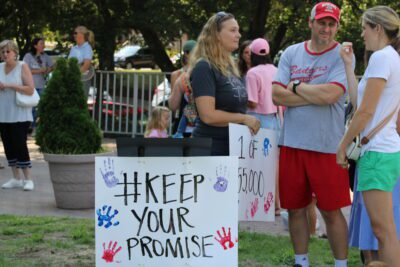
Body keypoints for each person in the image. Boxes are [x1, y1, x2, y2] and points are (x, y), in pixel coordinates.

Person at [272, 2, 351, 267]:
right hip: (292, 143)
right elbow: (275, 94)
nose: (326, 28)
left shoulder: (341, 54)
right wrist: (313, 93)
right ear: (311, 23)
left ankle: (340, 264)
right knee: (294, 208)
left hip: (327, 146)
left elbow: (332, 95)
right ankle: (300, 261)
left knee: (330, 210)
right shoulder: (292, 53)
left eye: (332, 24)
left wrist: (295, 87)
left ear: (336, 26)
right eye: (322, 22)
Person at [337, 6, 400, 266]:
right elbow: (359, 103)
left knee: (383, 231)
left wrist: (342, 146)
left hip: (377, 153)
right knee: (384, 229)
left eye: (365, 28)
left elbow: (365, 112)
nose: (362, 33)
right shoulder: (390, 58)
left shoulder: (382, 58)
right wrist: (349, 66)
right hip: (383, 150)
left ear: (377, 28)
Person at [188, 11, 260, 156]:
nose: (238, 35)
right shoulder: (204, 67)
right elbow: (208, 115)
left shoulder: (230, 68)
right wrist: (244, 118)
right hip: (210, 151)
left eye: (238, 30)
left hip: (232, 148)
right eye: (233, 30)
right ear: (216, 35)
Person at [246, 38, 282, 215]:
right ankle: (276, 203)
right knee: (274, 163)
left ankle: (258, 203)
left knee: (257, 163)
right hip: (276, 119)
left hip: (258, 120)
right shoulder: (277, 70)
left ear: (252, 54)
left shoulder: (252, 73)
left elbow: (252, 102)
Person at [0, 40, 36, 191]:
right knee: (8, 146)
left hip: (20, 114)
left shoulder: (22, 66)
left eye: (8, 51)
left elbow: (30, 89)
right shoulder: (0, 67)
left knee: (20, 145)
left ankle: (28, 179)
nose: (5, 54)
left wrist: (9, 86)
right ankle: (16, 178)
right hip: (3, 113)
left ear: (15, 53)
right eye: (2, 52)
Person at [23, 37, 54, 134]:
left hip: (41, 85)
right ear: (35, 45)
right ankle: (29, 127)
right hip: (30, 85)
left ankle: (35, 126)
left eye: (43, 43)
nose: (43, 45)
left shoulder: (45, 56)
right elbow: (25, 70)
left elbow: (52, 66)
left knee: (41, 107)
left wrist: (48, 70)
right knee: (30, 107)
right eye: (41, 43)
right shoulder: (28, 56)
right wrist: (39, 71)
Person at [168, 40, 197, 137]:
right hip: (183, 119)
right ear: (186, 54)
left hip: (200, 120)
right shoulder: (177, 74)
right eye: (195, 52)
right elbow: (173, 104)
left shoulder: (203, 70)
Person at [68, 25, 94, 97]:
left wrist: (75, 75)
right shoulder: (74, 48)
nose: (74, 35)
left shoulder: (87, 48)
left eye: (76, 33)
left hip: (82, 79)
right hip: (72, 78)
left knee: (80, 102)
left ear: (82, 34)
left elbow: (86, 65)